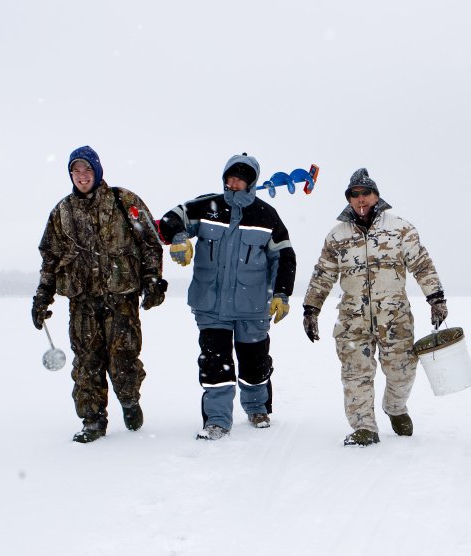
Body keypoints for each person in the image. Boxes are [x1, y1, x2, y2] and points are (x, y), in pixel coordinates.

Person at [302, 168, 448, 447]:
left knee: (402, 370)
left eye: (365, 193)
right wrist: (311, 309)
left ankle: (394, 407)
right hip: (352, 319)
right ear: (349, 200)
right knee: (355, 372)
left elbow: (422, 264)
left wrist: (436, 298)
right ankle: (364, 427)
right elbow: (323, 274)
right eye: (354, 195)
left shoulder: (400, 228)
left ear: (376, 196)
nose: (360, 200)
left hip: (395, 317)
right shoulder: (337, 236)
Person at [32, 145, 167, 443]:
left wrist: (153, 280)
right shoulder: (62, 212)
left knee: (123, 359)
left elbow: (150, 242)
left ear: (97, 171)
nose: (82, 176)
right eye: (76, 171)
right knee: (86, 362)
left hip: (121, 298)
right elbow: (50, 258)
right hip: (82, 301)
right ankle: (92, 420)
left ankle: (130, 401)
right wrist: (43, 296)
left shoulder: (123, 201)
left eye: (87, 170)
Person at [157, 153, 296, 440]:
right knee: (214, 363)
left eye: (241, 177)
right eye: (231, 176)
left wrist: (281, 293)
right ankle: (217, 421)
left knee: (254, 363)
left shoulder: (266, 215)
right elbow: (171, 219)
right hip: (211, 305)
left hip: (253, 306)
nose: (234, 182)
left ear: (251, 182)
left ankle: (257, 408)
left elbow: (283, 256)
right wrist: (179, 238)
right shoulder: (208, 206)